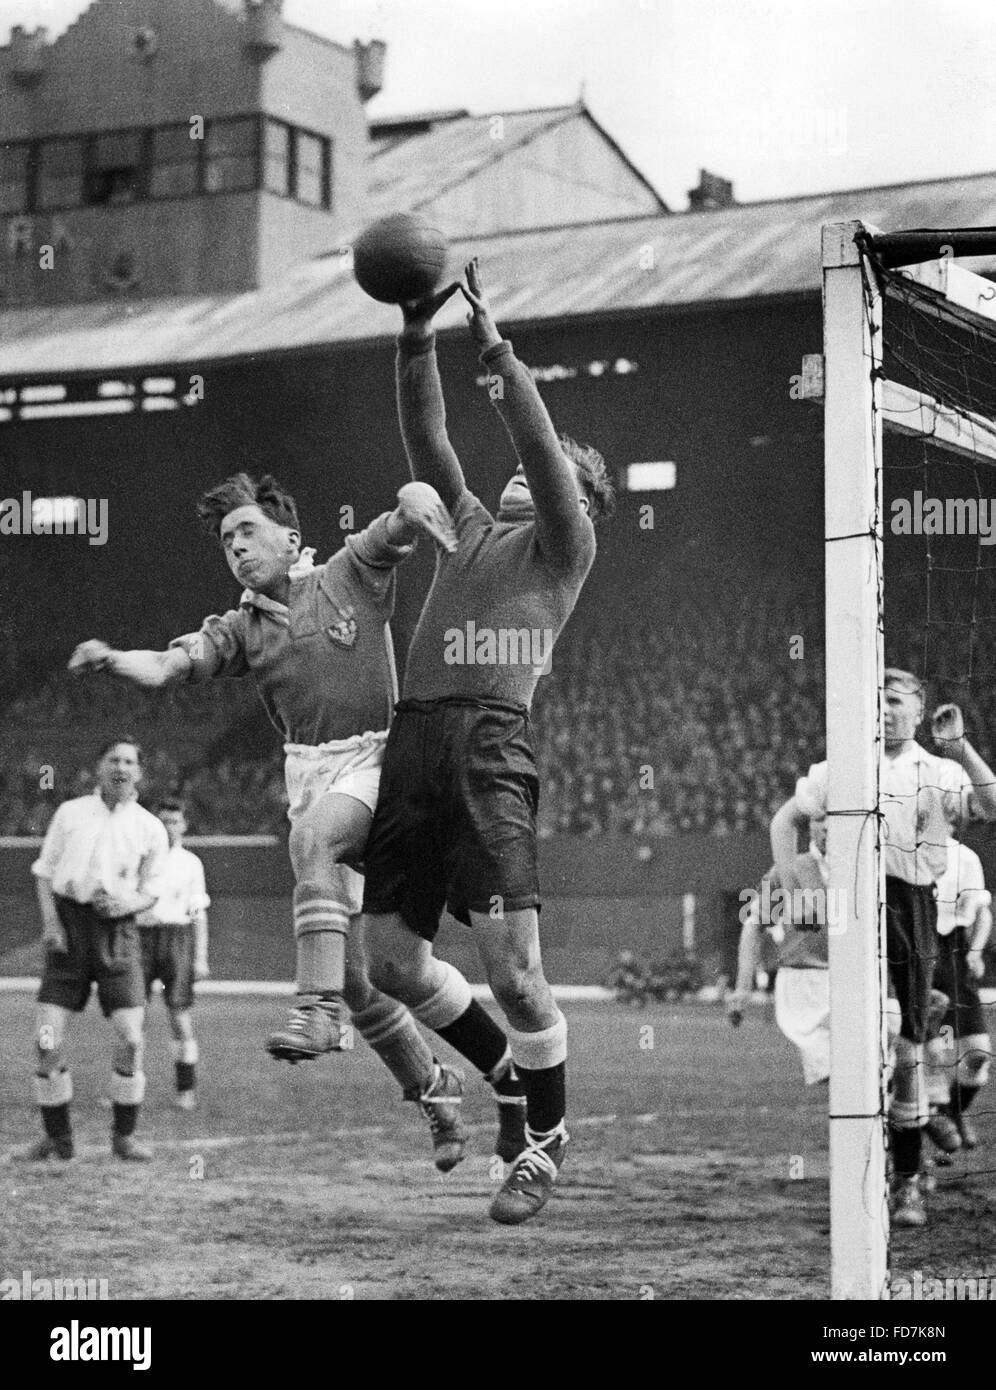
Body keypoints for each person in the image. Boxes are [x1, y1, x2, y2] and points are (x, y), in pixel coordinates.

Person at [68, 474, 521, 1172]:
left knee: (312, 847)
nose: (238, 548)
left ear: (291, 537)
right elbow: (165, 666)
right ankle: (439, 1087)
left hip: (383, 762)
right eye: (226, 540)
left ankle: (316, 1011)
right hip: (310, 778)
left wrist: (411, 495)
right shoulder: (240, 628)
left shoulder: (348, 574)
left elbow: (394, 526)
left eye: (249, 532)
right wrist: (110, 660)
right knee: (373, 977)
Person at [361, 259, 615, 1225]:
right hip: (416, 740)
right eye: (507, 469)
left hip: (489, 751)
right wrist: (417, 337)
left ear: (581, 500)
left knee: (516, 971)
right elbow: (427, 432)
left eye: (543, 474)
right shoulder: (464, 527)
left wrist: (495, 346)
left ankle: (546, 1139)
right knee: (389, 962)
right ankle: (504, 1069)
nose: (516, 472)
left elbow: (543, 451)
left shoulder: (565, 544)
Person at [770, 670, 996, 1227]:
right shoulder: (841, 766)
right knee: (861, 1054)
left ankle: (906, 1181)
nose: (885, 710)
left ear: (918, 711)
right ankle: (877, 1170)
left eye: (895, 702)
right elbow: (785, 818)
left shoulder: (937, 771)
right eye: (876, 700)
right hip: (850, 906)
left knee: (907, 1049)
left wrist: (961, 748)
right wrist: (796, 884)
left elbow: (991, 808)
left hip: (913, 905)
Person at [18, 738, 168, 1162]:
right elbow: (45, 872)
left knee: (132, 1039)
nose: (120, 768)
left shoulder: (149, 827)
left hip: (118, 936)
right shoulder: (71, 813)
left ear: (139, 772)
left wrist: (127, 904)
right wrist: (51, 924)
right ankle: (57, 1138)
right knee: (46, 1040)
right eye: (113, 759)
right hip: (69, 932)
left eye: (129, 762)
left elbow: (152, 891)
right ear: (99, 767)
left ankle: (124, 1138)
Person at [729, 817, 832, 1085]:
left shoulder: (867, 868)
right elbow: (753, 925)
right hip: (806, 984)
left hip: (857, 981)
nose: (828, 827)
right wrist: (743, 986)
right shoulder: (790, 870)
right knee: (842, 1077)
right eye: (821, 819)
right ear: (809, 824)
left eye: (835, 817)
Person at [136, 798, 210, 1110]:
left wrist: (200, 956)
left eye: (174, 821)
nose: (168, 827)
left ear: (184, 825)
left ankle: (185, 1090)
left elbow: (198, 914)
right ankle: (129, 1088)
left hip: (177, 939)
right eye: (163, 821)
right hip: (141, 938)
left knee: (179, 1016)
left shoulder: (191, 863)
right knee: (133, 1016)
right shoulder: (141, 857)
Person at [925, 830, 992, 1156]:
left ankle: (954, 1112)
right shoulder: (904, 852)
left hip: (955, 958)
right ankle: (914, 1154)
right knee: (931, 1056)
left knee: (978, 1054)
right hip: (919, 956)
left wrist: (976, 952)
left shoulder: (965, 857)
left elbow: (982, 912)